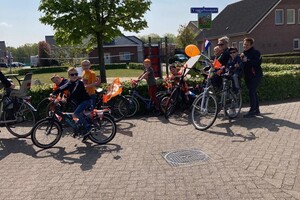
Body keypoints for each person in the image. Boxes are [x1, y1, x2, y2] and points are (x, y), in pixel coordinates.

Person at [52, 67, 91, 139]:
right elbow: (63, 87)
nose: (74, 76)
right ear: (69, 76)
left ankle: (88, 127)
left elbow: (74, 93)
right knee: (77, 117)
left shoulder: (79, 83)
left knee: (76, 113)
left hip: (85, 101)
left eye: (76, 74)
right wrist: (54, 92)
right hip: (78, 102)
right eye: (72, 75)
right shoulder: (70, 82)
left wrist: (67, 99)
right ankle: (83, 133)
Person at [241, 37, 263, 118]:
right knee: (253, 92)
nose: (245, 46)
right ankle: (256, 110)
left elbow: (258, 63)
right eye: (244, 44)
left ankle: (252, 110)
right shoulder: (243, 53)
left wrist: (248, 61)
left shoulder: (256, 52)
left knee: (251, 92)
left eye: (247, 45)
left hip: (255, 75)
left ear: (251, 45)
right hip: (248, 76)